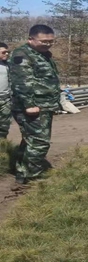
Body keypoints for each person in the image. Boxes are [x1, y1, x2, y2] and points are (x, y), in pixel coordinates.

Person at [9, 25, 61, 185]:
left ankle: (23, 173)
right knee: (39, 142)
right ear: (30, 39)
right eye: (44, 41)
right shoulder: (22, 55)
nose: (48, 44)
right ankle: (33, 177)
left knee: (30, 140)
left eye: (51, 41)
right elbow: (21, 82)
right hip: (32, 107)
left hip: (43, 105)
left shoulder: (42, 54)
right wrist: (29, 105)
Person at [0, 43, 11, 139]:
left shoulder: (8, 65)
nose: (6, 54)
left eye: (7, 52)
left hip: (5, 100)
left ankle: (2, 144)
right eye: (3, 52)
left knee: (4, 127)